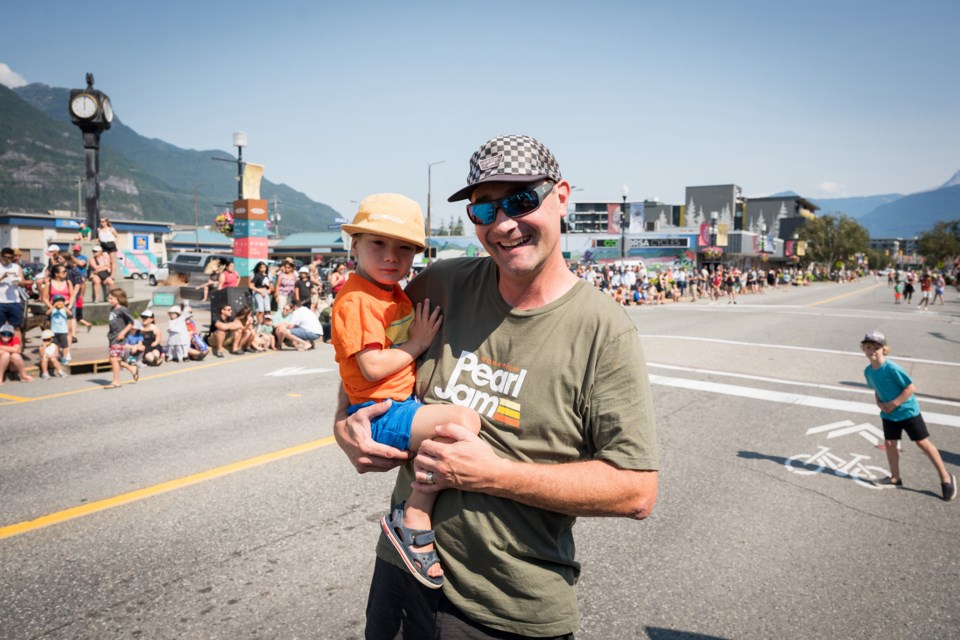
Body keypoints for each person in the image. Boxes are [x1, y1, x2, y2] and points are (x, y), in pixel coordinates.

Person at [335, 134, 658, 637]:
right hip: (403, 573)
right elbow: (364, 360)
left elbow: (635, 490)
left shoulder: (603, 329)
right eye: (484, 210)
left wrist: (493, 474)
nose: (503, 224)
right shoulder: (441, 284)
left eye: (522, 200)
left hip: (510, 610)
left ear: (562, 196)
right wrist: (343, 427)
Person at [332, 193, 482, 589]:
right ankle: (414, 513)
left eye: (404, 247)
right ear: (355, 244)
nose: (390, 256)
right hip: (380, 412)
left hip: (395, 404)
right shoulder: (360, 299)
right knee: (461, 419)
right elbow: (371, 365)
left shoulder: (391, 292)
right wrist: (417, 343)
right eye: (377, 243)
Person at [861, 331, 956, 501]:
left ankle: (946, 477)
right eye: (868, 347)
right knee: (890, 443)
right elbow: (876, 388)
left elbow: (910, 388)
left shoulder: (892, 368)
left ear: (885, 349)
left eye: (876, 347)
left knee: (922, 443)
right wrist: (879, 403)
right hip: (888, 414)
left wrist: (893, 404)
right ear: (863, 350)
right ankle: (895, 478)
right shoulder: (868, 371)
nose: (872, 351)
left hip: (907, 411)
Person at [105, 288, 138, 389]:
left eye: (111, 298)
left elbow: (131, 322)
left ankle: (116, 381)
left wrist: (123, 333)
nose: (109, 300)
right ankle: (132, 368)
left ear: (118, 298)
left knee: (114, 359)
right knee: (112, 359)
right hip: (112, 337)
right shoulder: (113, 309)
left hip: (119, 338)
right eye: (108, 298)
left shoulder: (122, 309)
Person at [0, 248, 26, 340]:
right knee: (1, 327)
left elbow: (23, 284)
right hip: (1, 301)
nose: (8, 260)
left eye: (10, 258)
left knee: (16, 327)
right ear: (1, 256)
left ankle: (17, 348)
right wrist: (3, 277)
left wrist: (17, 280)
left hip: (14, 300)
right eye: (5, 257)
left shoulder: (16, 267)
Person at [46, 294, 72, 365]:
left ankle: (64, 358)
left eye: (60, 301)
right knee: (55, 345)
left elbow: (70, 313)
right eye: (57, 301)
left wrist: (64, 307)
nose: (59, 303)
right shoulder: (53, 310)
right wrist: (53, 307)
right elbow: (47, 313)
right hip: (54, 331)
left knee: (65, 345)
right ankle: (56, 356)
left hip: (63, 330)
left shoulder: (64, 309)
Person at [249, 261, 272, 325]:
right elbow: (251, 286)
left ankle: (265, 324)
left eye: (264, 267)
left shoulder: (267, 276)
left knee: (267, 310)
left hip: (266, 293)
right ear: (259, 268)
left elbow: (270, 287)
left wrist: (268, 291)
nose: (263, 268)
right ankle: (259, 324)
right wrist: (259, 291)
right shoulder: (257, 276)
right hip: (259, 293)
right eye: (261, 267)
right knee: (260, 310)